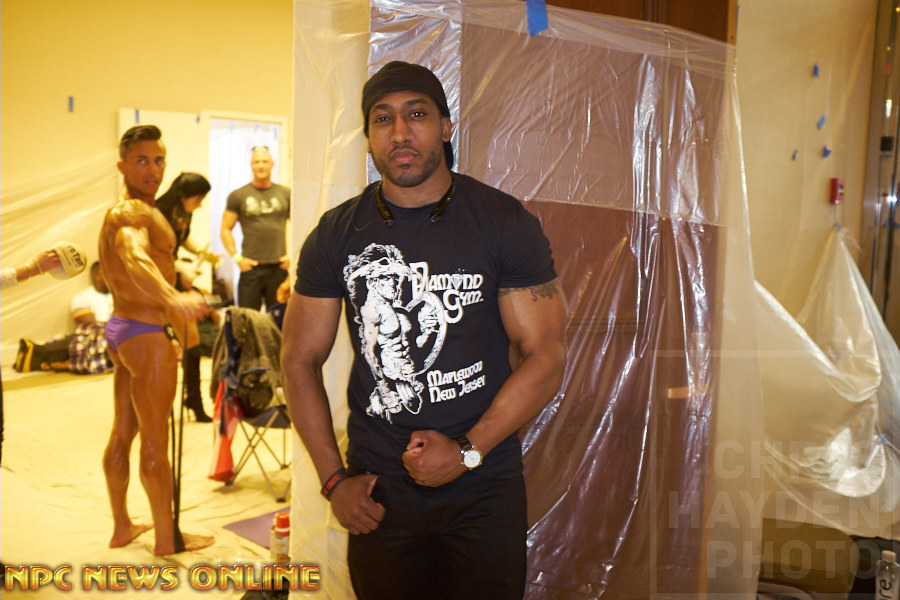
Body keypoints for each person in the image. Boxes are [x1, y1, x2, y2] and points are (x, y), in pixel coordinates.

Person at [280, 61, 567, 599]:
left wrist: (466, 451)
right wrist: (334, 482)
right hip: (378, 488)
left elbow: (545, 355)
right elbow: (298, 359)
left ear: (446, 127)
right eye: (382, 118)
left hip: (482, 480)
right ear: (369, 137)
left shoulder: (503, 222)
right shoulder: (337, 233)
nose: (400, 132)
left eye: (417, 115)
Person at [98, 124, 213, 555]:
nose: (153, 170)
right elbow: (134, 258)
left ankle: (122, 527)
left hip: (121, 330)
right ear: (122, 166)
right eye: (142, 161)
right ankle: (168, 539)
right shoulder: (130, 213)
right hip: (144, 333)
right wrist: (172, 298)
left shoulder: (137, 209)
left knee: (123, 431)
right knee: (154, 438)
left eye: (159, 160)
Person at [156, 172, 215, 422]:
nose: (200, 205)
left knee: (192, 341)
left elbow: (182, 238)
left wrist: (200, 252)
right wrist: (181, 270)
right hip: (156, 279)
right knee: (162, 343)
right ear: (183, 196)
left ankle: (194, 399)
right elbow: (157, 253)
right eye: (198, 199)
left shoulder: (184, 212)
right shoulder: (158, 213)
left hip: (175, 275)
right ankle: (160, 402)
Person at [220, 146, 291, 310]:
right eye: (257, 162)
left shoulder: (286, 193)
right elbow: (225, 229)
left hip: (279, 268)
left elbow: (301, 226)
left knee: (279, 319)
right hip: (250, 269)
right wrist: (237, 258)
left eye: (265, 161)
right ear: (251, 165)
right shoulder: (238, 195)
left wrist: (293, 257)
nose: (261, 166)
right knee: (248, 319)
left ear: (272, 164)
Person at [15, 261, 114, 374]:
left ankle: (36, 355)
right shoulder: (82, 298)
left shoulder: (121, 295)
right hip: (97, 338)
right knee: (83, 338)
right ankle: (35, 354)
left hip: (119, 339)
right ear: (97, 275)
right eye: (112, 273)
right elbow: (93, 326)